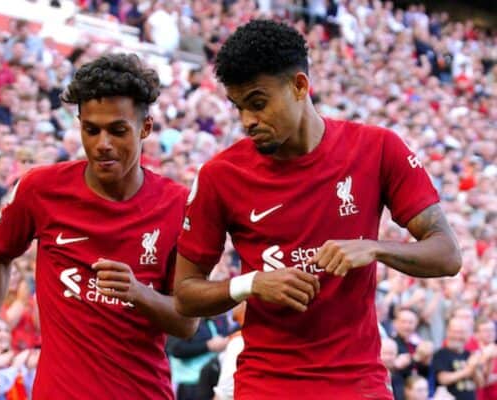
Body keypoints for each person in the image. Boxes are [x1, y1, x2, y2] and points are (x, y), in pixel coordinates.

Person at [173, 20, 461, 400]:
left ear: (299, 86)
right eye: (239, 107)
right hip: (267, 384)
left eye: (258, 104)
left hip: (358, 384)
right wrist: (252, 284)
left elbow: (447, 254)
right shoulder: (220, 176)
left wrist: (376, 248)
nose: (247, 121)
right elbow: (185, 295)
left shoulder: (377, 148)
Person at [0, 53, 197, 399]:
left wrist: (139, 293)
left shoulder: (177, 204)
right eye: (91, 130)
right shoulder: (41, 189)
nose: (102, 144)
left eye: (118, 130)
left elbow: (186, 322)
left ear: (145, 128)